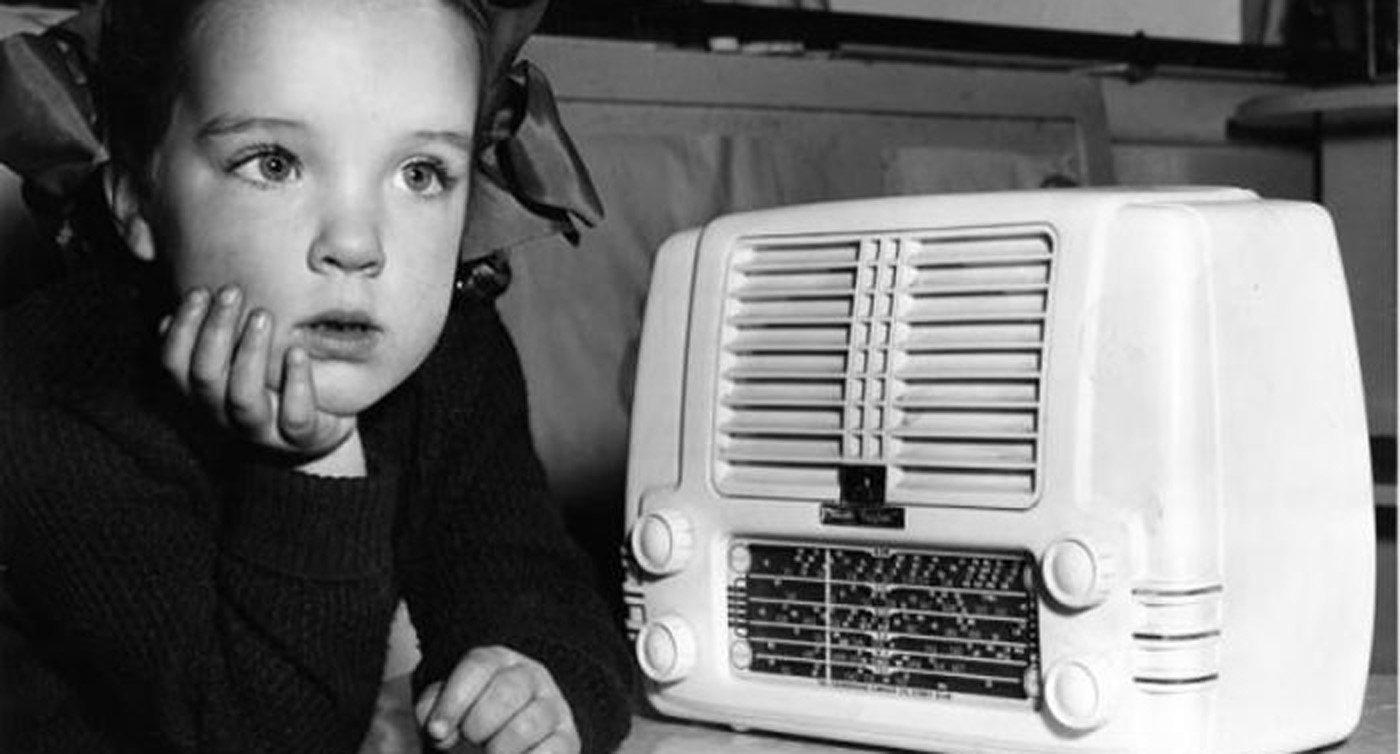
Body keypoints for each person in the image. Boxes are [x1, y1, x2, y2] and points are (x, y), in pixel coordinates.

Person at [0, 0, 633, 752]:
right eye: (275, 163)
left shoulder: (453, 357)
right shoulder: (56, 391)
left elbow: (525, 582)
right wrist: (314, 466)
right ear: (137, 198)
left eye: (421, 173)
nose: (357, 244)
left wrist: (538, 685)